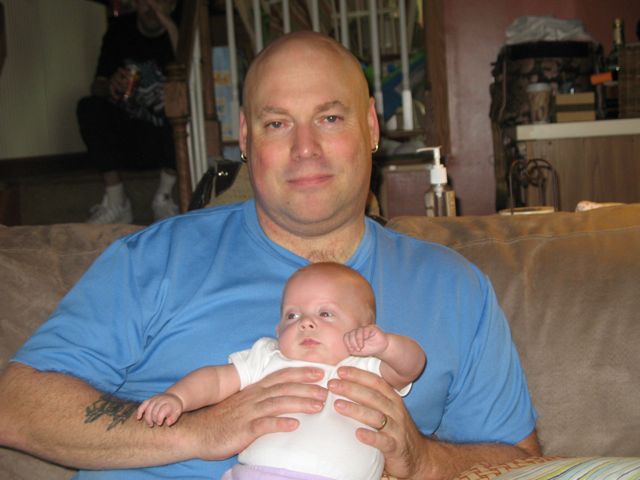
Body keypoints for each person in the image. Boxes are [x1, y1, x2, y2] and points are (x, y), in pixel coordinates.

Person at [0, 31, 541, 480]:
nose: (305, 148)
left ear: (371, 127)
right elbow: (16, 406)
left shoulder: (453, 287)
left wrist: (423, 461)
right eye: (277, 123)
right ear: (245, 138)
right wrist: (200, 431)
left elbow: (522, 463)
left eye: (329, 118)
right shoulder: (156, 259)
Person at [137, 262, 426, 480]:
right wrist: (177, 398)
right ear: (278, 330)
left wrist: (387, 346)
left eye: (325, 313)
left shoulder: (364, 364)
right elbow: (215, 379)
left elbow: (410, 367)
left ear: (364, 329)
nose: (305, 322)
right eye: (292, 315)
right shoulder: (268, 357)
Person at [77, 0, 180, 224]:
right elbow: (97, 85)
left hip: (165, 139)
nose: (151, 7)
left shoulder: (180, 29)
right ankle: (116, 200)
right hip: (128, 135)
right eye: (145, 0)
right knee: (88, 106)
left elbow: (191, 73)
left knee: (179, 110)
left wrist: (170, 26)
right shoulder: (120, 30)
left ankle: (164, 197)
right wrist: (110, 85)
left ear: (172, 5)